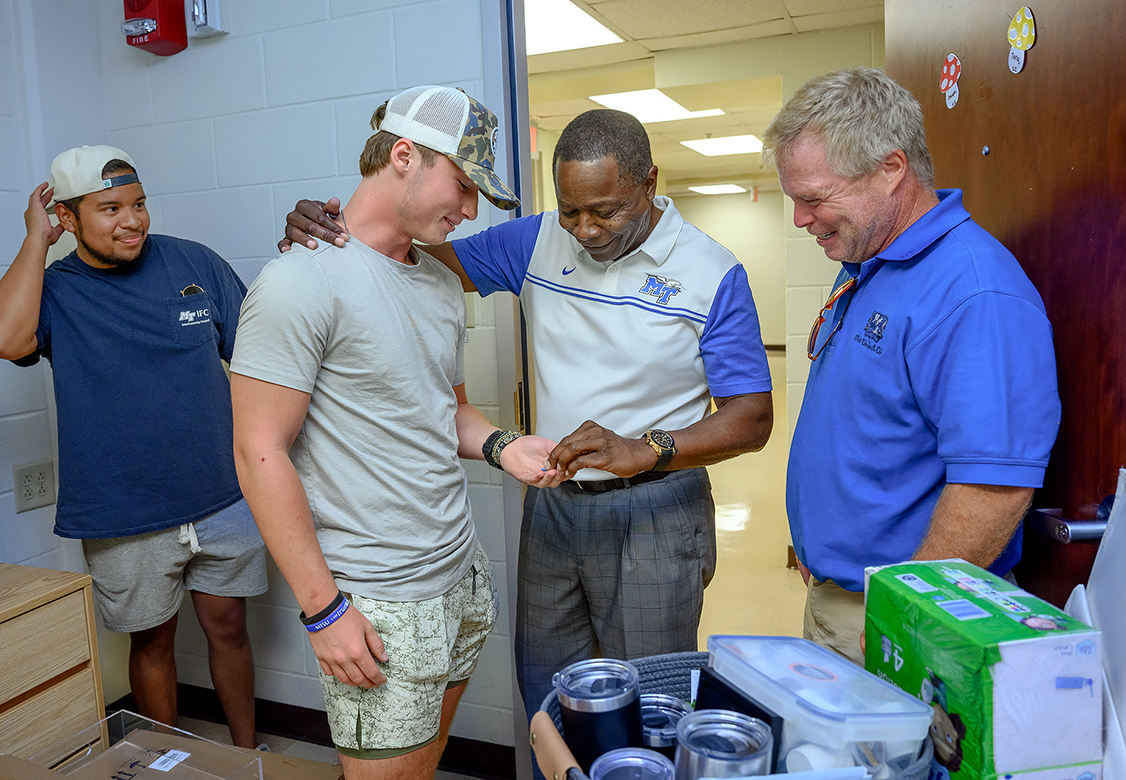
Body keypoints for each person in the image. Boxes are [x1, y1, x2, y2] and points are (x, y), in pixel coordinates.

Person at [280, 108, 775, 721]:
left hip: (656, 512)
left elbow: (752, 417)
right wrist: (332, 234)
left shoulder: (712, 271)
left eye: (606, 211)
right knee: (549, 691)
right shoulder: (539, 239)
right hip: (555, 506)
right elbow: (410, 260)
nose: (587, 230)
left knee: (650, 706)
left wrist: (645, 448)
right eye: (573, 210)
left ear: (649, 185)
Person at [230, 86, 560, 780]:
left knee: (421, 767)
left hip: (459, 574)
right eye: (464, 185)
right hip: (378, 597)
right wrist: (324, 612)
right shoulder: (299, 281)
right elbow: (259, 454)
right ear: (404, 155)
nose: (469, 211)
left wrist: (505, 446)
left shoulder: (438, 282)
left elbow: (447, 411)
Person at [761, 67, 1061, 665]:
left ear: (891, 169)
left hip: (902, 617)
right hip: (843, 598)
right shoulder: (870, 262)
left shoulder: (973, 293)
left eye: (814, 198)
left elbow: (992, 489)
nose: (799, 219)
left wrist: (903, 619)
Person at [0, 145, 266, 745]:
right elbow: (0, 339)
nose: (131, 220)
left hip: (221, 493)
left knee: (228, 626)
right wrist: (37, 240)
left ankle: (246, 754)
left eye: (138, 204)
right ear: (69, 219)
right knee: (153, 642)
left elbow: (262, 358)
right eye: (109, 209)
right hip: (122, 509)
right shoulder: (54, 290)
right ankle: (165, 761)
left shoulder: (194, 264)